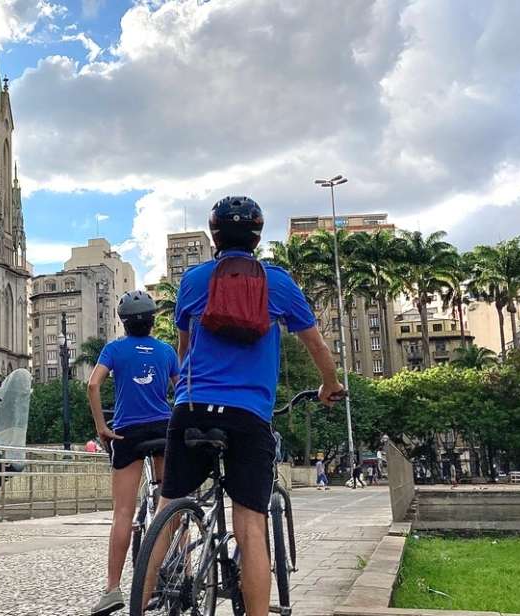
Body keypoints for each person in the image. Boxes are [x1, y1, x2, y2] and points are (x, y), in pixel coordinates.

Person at [153, 196, 345, 616]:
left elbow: (183, 350)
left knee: (167, 509)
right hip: (248, 417)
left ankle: (143, 597)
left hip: (192, 408)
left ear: (215, 235)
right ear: (257, 236)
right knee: (250, 526)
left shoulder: (193, 280)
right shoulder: (278, 283)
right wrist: (329, 385)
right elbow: (317, 346)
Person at [88, 290, 180, 616]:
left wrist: (102, 426)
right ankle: (179, 567)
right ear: (153, 321)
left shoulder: (114, 349)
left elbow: (93, 385)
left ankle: (113, 588)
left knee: (123, 512)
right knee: (172, 502)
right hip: (164, 430)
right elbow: (181, 387)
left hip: (126, 432)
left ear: (123, 322)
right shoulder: (167, 351)